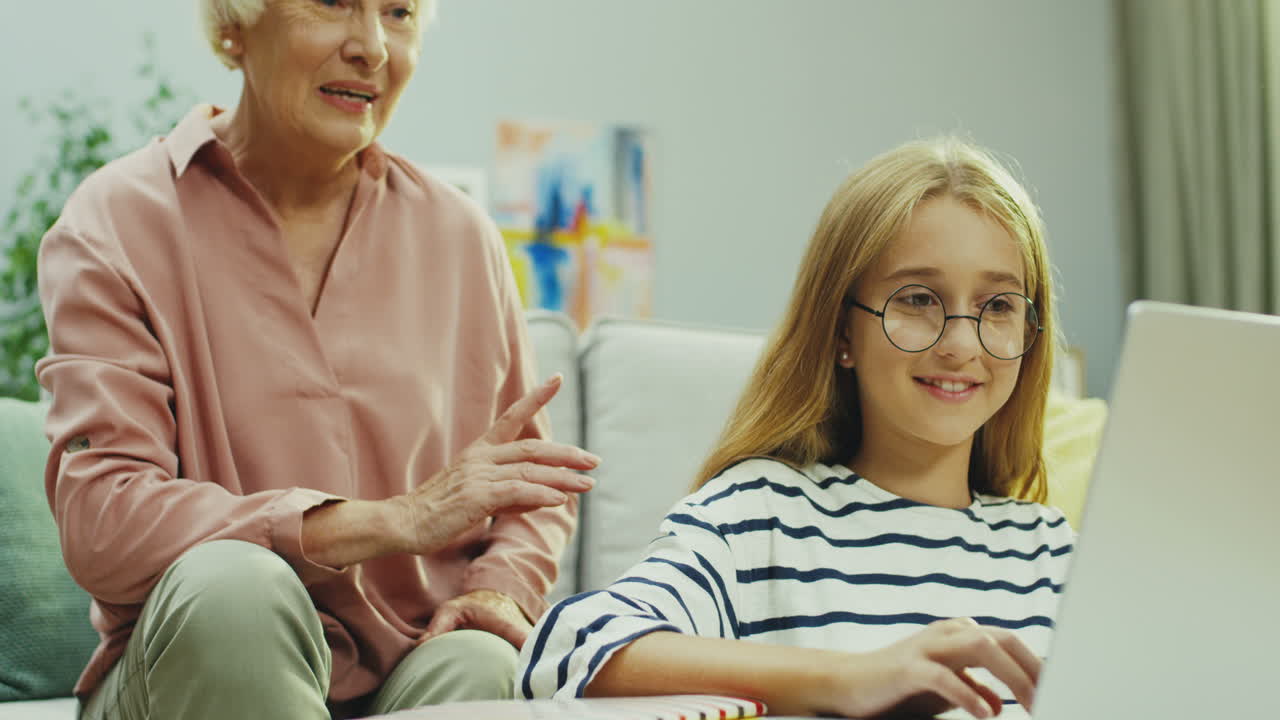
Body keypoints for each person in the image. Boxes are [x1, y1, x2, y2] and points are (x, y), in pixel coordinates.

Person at [35, 1, 598, 718]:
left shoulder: (460, 238)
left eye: (398, 13)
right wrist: (391, 520)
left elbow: (526, 489)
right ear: (235, 25)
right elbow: (105, 521)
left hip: (405, 665)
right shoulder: (116, 221)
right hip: (191, 670)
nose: (372, 47)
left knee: (482, 660)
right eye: (333, 3)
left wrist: (499, 588)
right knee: (233, 591)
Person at [517, 138, 1075, 719]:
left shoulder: (1052, 553)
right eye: (917, 299)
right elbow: (563, 651)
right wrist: (852, 678)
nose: (961, 343)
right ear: (841, 332)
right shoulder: (761, 515)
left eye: (1000, 306)